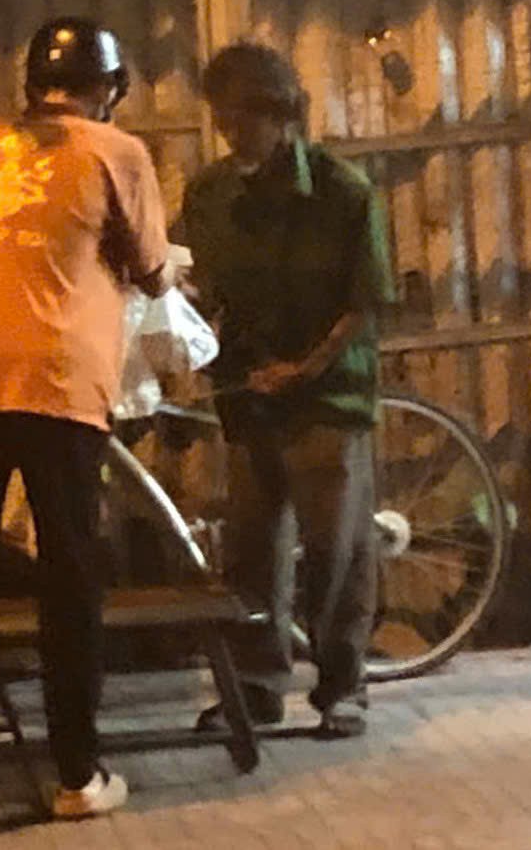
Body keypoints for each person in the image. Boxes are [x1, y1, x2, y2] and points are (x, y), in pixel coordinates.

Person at [0, 17, 174, 842]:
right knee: (69, 580)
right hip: (59, 385)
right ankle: (76, 775)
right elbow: (150, 268)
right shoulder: (116, 150)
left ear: (30, 83)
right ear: (109, 87)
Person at [181, 42, 396, 739]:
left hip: (327, 395)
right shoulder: (210, 193)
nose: (231, 135)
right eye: (222, 120)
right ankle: (256, 686)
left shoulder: (342, 191)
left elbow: (365, 301)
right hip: (247, 392)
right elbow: (201, 286)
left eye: (243, 120)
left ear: (282, 115)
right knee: (251, 548)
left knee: (337, 548)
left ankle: (342, 688)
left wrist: (306, 366)